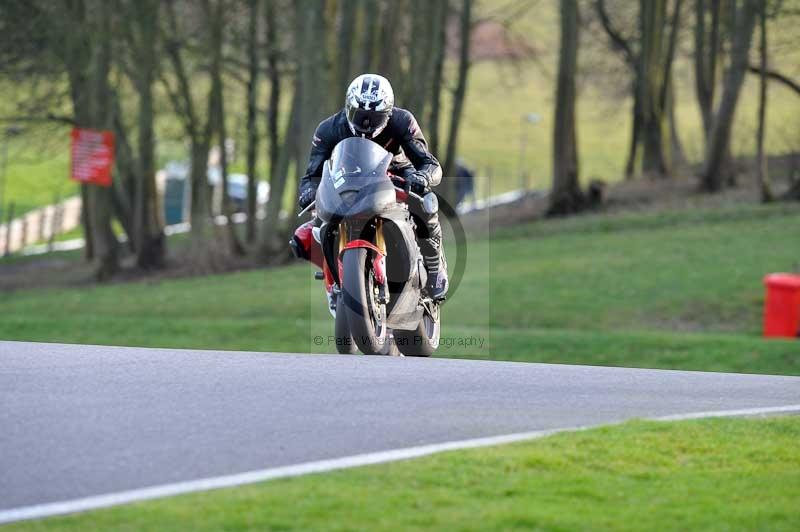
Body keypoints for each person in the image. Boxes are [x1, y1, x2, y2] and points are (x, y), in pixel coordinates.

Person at [296, 74, 448, 300]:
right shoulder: (328, 129)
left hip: (395, 172)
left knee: (424, 203)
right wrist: (309, 191)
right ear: (348, 108)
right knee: (309, 233)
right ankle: (332, 283)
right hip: (348, 179)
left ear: (388, 113)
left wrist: (422, 178)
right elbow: (312, 174)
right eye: (360, 115)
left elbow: (429, 163)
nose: (366, 123)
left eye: (374, 117)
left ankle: (434, 267)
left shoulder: (402, 121)